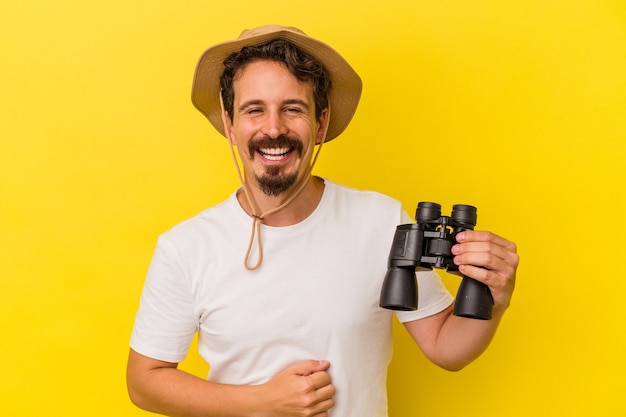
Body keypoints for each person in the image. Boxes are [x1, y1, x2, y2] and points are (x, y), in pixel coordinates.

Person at [126, 25, 519, 417]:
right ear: (230, 125)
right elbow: (144, 381)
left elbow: (444, 347)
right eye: (254, 109)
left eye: (293, 108)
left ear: (320, 123)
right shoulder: (186, 247)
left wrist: (494, 296)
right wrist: (261, 401)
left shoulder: (379, 221)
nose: (274, 128)